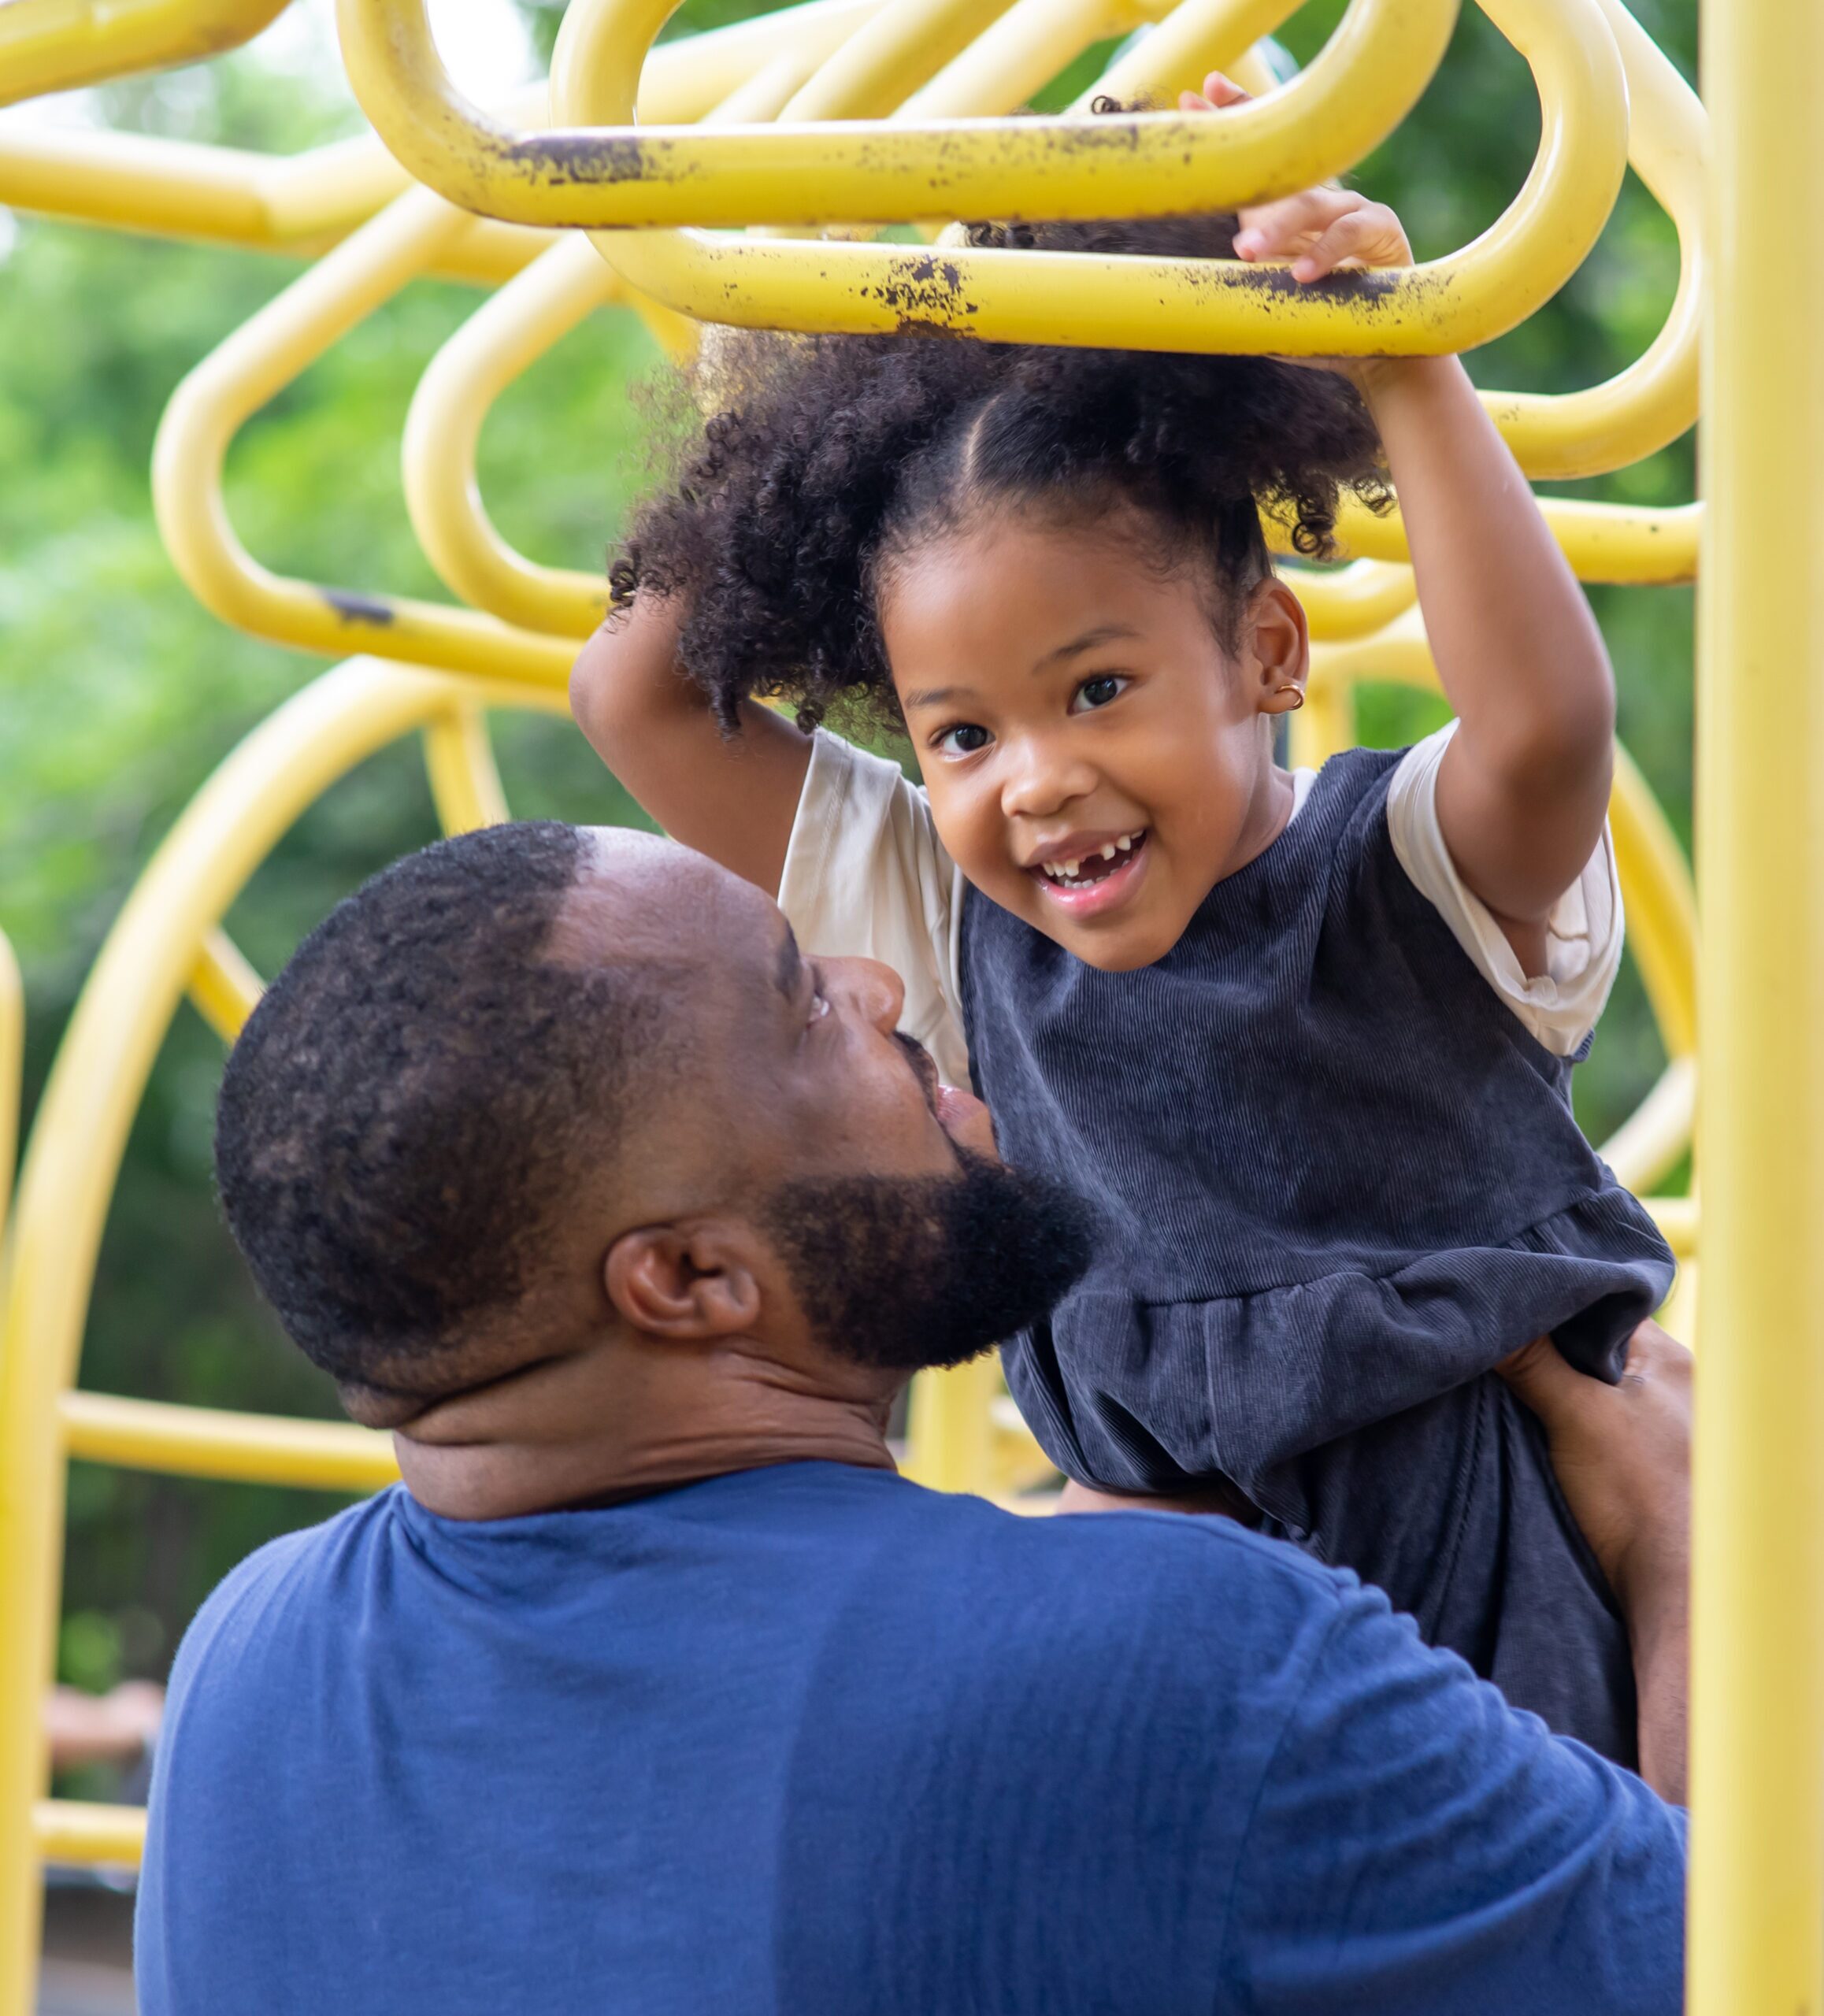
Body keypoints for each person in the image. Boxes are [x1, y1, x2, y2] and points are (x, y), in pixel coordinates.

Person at [570, 76, 1676, 1765]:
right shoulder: (952, 923)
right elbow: (636, 690)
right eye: (962, 731)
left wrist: (1403, 356)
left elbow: (1539, 730)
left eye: (1098, 687)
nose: (1037, 778)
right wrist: (897, 319)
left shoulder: (1408, 883)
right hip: (1176, 1631)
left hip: (1506, 1604)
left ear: (1269, 656)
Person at [136, 821, 1690, 2016]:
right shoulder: (1192, 1664)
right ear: (686, 1277)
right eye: (802, 1001)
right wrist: (1694, 1570)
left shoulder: (244, 1669)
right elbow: (1750, 1955)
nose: (884, 987)